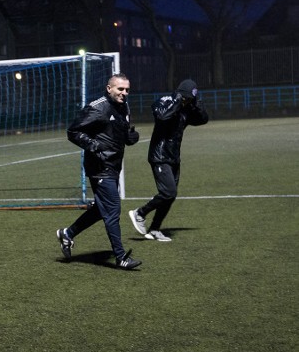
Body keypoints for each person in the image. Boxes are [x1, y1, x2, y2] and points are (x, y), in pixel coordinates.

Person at [55, 73, 142, 270]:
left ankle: (67, 233)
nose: (124, 93)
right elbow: (74, 131)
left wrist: (130, 137)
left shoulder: (124, 106)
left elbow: (119, 132)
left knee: (101, 210)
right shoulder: (97, 107)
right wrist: (94, 146)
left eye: (127, 89)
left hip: (113, 165)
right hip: (99, 167)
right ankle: (121, 258)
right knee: (112, 210)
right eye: (120, 89)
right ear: (109, 88)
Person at [128, 79, 209, 242]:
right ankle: (140, 213)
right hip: (159, 156)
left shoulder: (187, 109)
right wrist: (179, 100)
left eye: (189, 100)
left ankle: (155, 229)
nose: (187, 102)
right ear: (180, 94)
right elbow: (163, 116)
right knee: (168, 192)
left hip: (173, 157)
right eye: (186, 98)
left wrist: (197, 101)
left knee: (170, 196)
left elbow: (203, 119)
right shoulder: (165, 101)